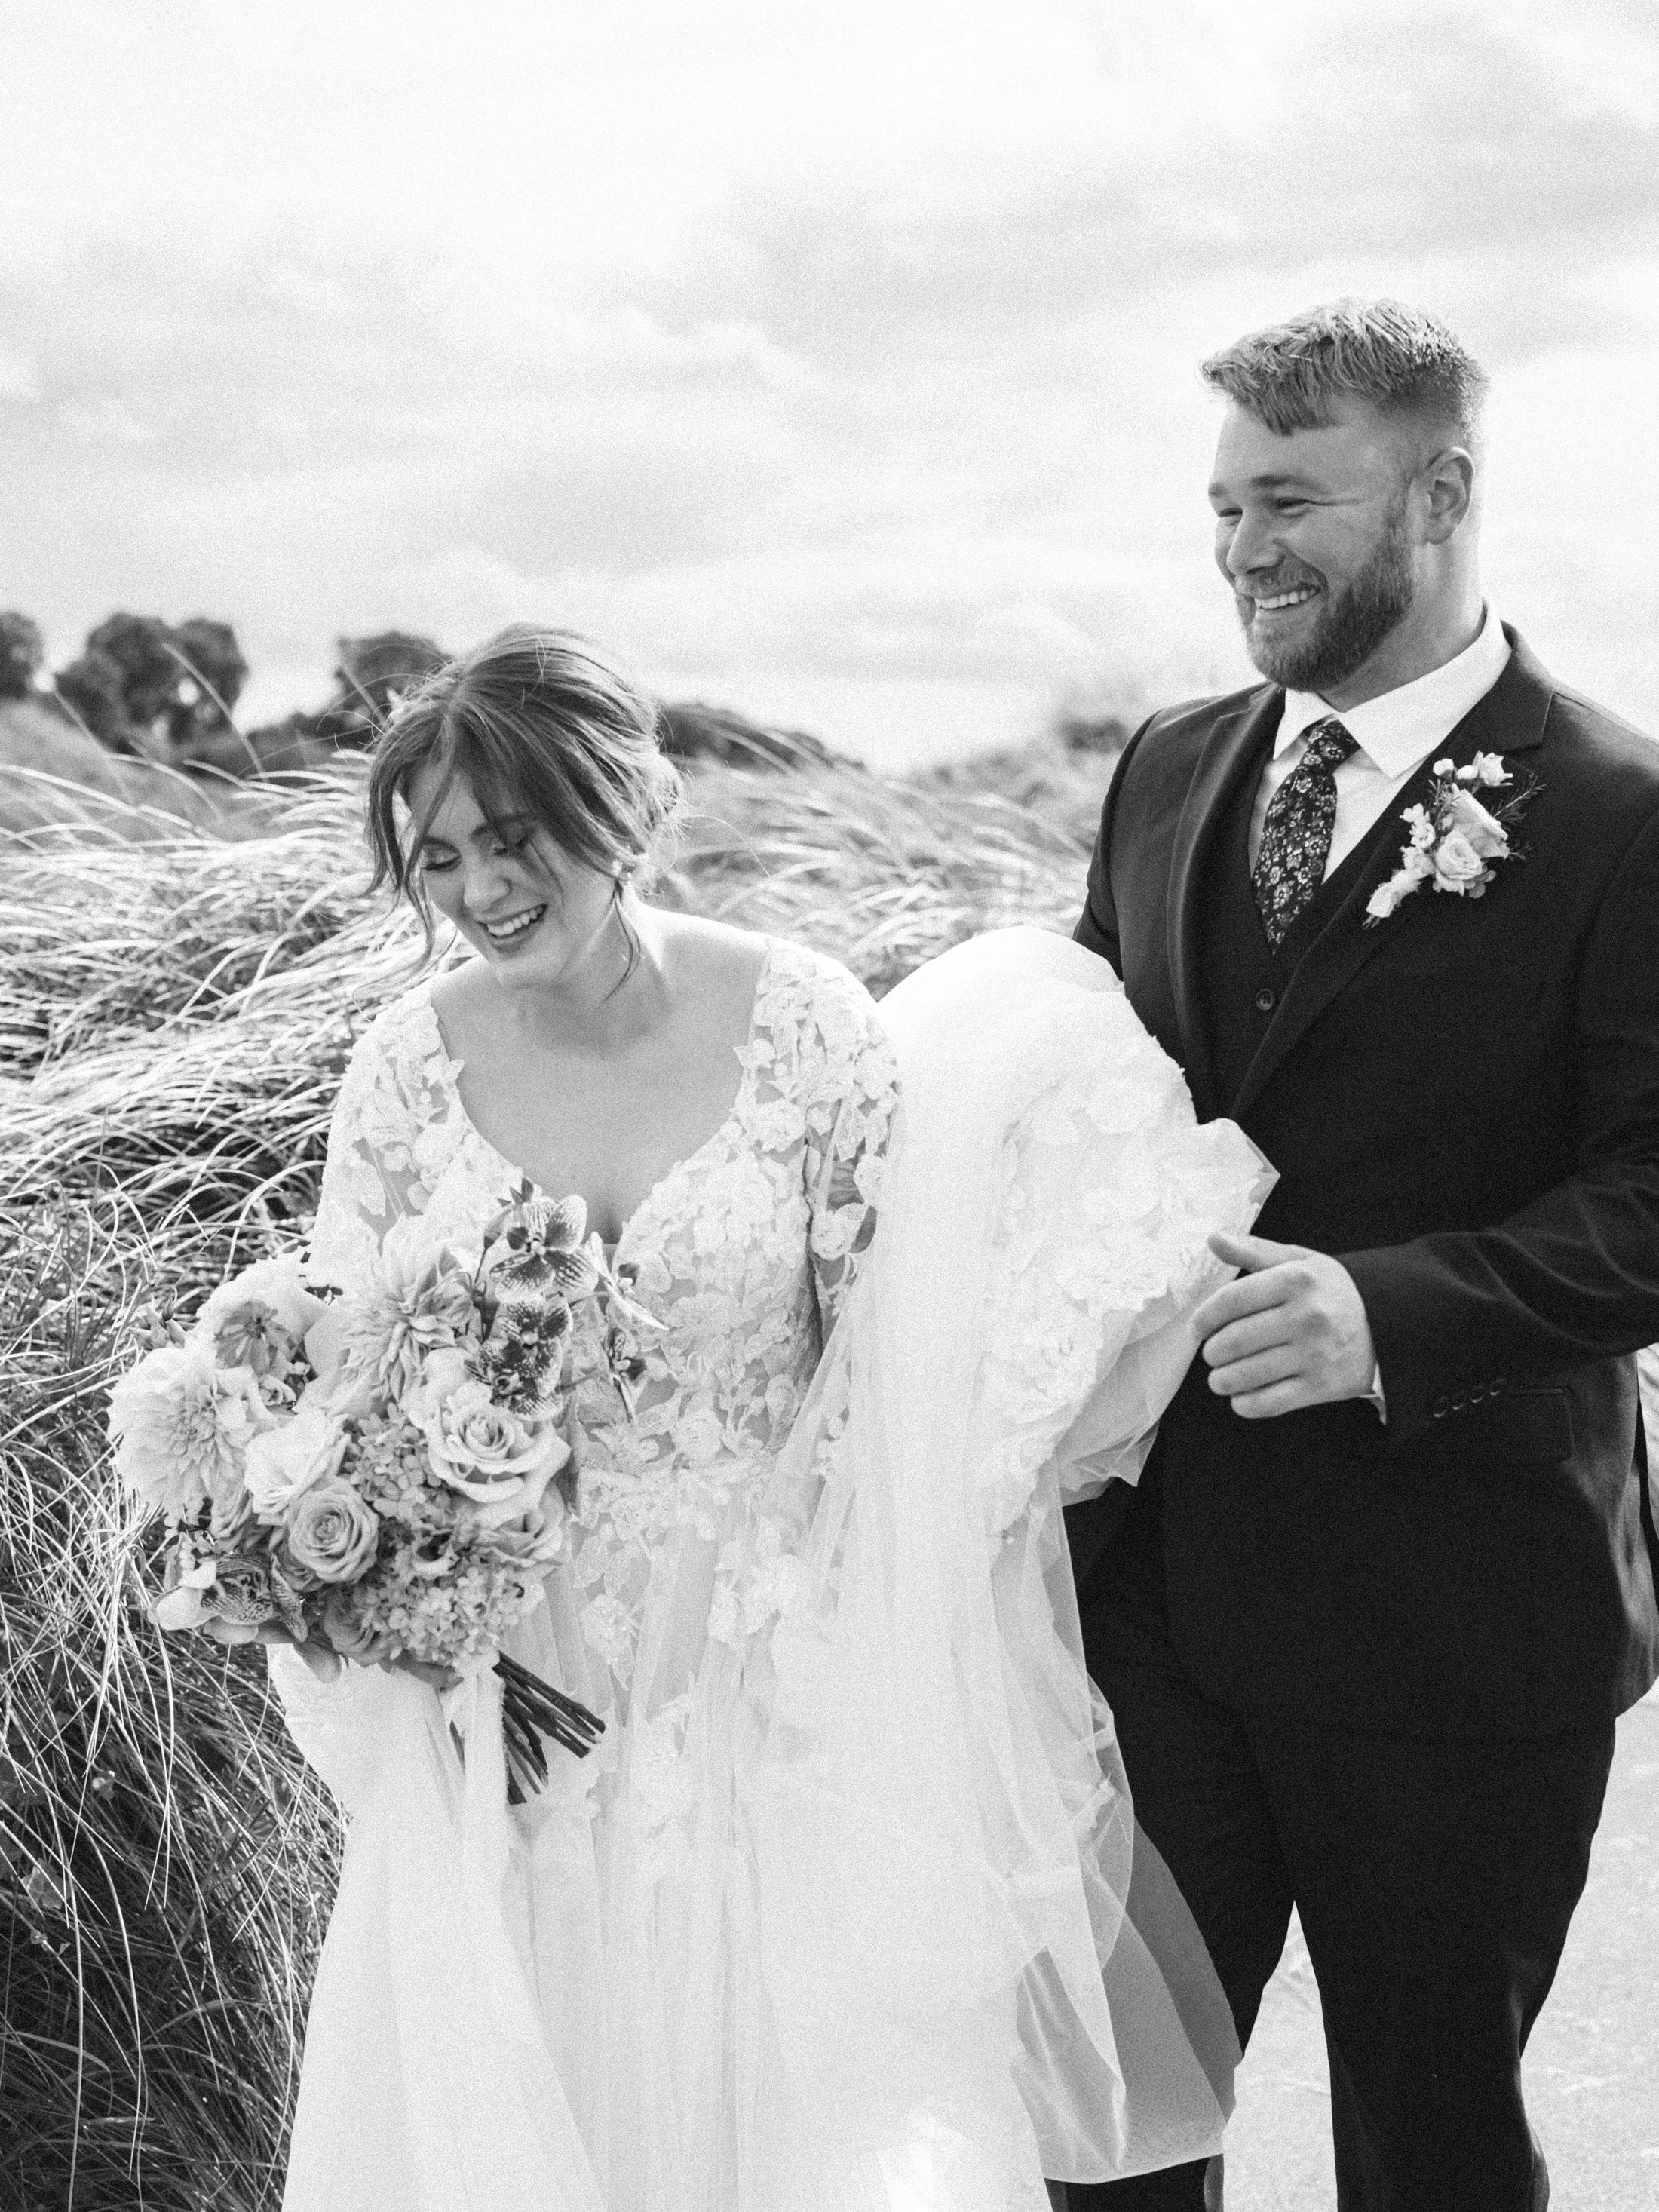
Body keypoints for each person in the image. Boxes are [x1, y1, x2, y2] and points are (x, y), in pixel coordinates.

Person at [255, 627, 1272, 2210]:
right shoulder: (402, 1067)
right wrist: (412, 1619)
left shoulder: (799, 1032)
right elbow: (347, 1378)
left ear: (621, 806)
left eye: (511, 836)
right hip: (513, 1704)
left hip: (767, 1678)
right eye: (439, 854)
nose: (476, 885)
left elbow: (882, 1366)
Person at [1066, 298, 1659, 2210]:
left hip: (1458, 1607)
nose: (1241, 546)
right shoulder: (1165, 767)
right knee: (1111, 2134)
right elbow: (1084, 1104)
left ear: (1442, 492)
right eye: (1224, 501)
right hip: (1157, 1597)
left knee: (1429, 2153)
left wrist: (1389, 1308)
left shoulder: (1621, 815)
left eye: (1292, 498)